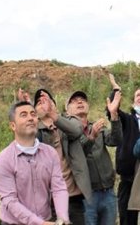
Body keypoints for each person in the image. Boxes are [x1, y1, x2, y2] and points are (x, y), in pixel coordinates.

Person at [0, 100, 70, 225]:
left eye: (33, 114)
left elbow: (59, 188)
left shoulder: (50, 153)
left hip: (46, 219)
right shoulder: (4, 160)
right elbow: (10, 201)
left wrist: (62, 219)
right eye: (23, 115)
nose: (30, 118)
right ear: (13, 126)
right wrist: (39, 223)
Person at [32, 89, 92, 225]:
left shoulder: (69, 121)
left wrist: (53, 115)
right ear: (35, 111)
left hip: (73, 197)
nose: (45, 104)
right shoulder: (36, 131)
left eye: (48, 101)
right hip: (49, 200)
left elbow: (76, 131)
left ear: (54, 105)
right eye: (40, 102)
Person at [66, 89, 123, 225]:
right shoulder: (65, 132)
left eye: (83, 100)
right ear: (67, 109)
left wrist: (114, 115)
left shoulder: (97, 127)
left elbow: (115, 140)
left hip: (108, 192)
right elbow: (77, 155)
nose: (80, 102)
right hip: (85, 196)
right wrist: (91, 138)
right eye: (74, 101)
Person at [108, 74, 140, 225]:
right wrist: (115, 89)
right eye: (138, 95)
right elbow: (112, 109)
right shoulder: (126, 119)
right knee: (126, 218)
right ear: (133, 101)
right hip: (127, 179)